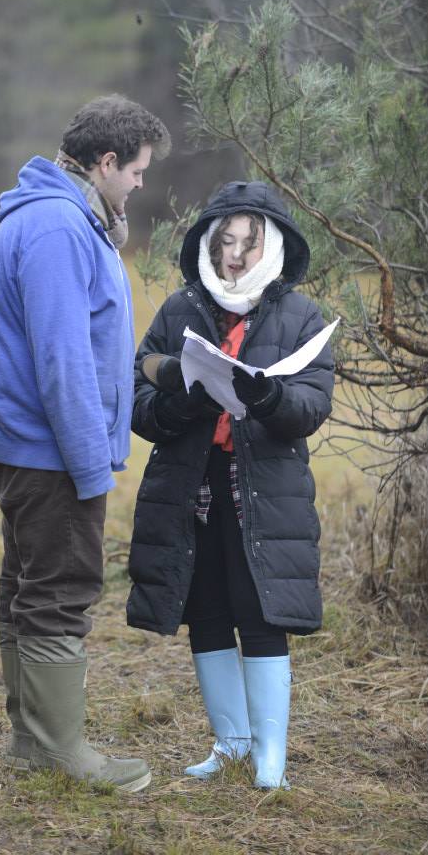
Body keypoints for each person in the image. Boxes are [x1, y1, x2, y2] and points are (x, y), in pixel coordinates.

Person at [0, 94, 170, 792]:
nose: (140, 183)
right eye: (137, 171)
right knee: (61, 585)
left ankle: (32, 738)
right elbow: (61, 359)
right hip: (47, 448)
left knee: (28, 581)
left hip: (29, 444)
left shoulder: (68, 217)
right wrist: (91, 466)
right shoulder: (57, 226)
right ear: (106, 161)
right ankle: (57, 748)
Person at [126, 180, 334, 789]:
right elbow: (138, 401)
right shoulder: (180, 309)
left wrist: (267, 396)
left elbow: (311, 406)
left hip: (265, 493)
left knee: (260, 612)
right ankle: (232, 743)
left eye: (248, 243)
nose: (234, 256)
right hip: (191, 487)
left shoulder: (301, 316)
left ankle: (271, 757)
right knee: (206, 609)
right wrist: (181, 405)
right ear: (208, 245)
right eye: (224, 242)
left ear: (272, 249)